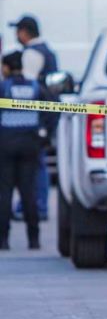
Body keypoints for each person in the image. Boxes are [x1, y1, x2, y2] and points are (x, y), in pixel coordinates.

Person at [0, 51, 56, 250]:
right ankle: (34, 239)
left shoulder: (3, 87)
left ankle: (3, 240)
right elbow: (52, 110)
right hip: (30, 146)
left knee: (4, 194)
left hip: (5, 146)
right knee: (29, 193)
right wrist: (44, 137)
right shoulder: (35, 87)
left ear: (7, 68)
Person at [8, 15, 58, 221]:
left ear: (24, 32)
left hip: (37, 116)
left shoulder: (32, 53)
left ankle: (35, 206)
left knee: (34, 162)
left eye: (18, 31)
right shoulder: (46, 50)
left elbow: (27, 88)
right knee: (37, 161)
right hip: (47, 114)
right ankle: (34, 205)